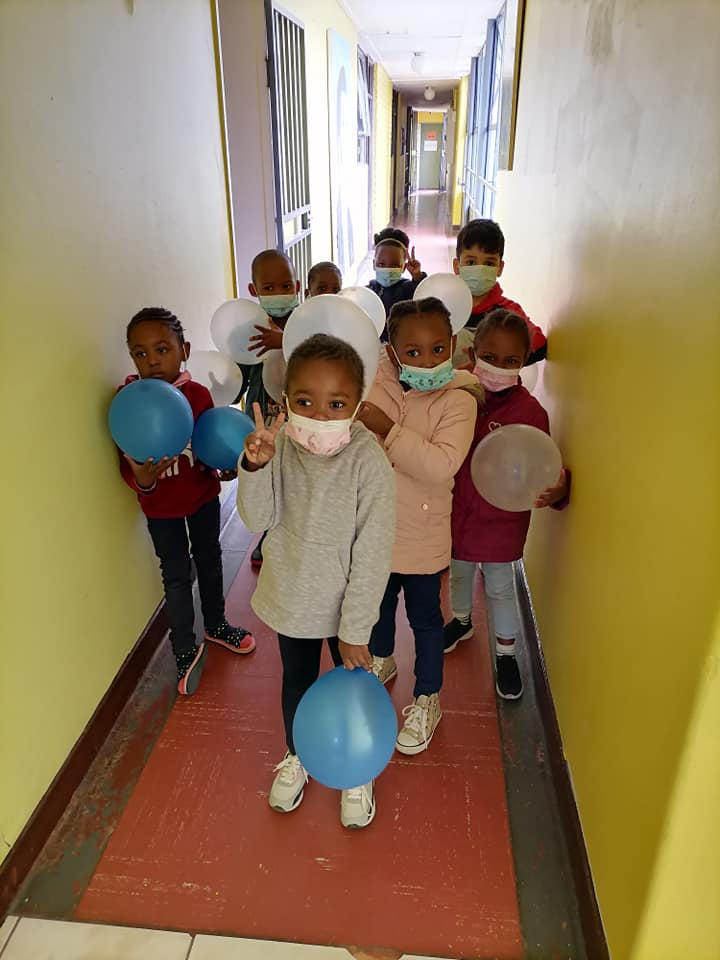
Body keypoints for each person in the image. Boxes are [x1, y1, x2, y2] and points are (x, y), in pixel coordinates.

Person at [236, 334, 395, 829]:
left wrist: (356, 628)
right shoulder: (281, 444)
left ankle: (357, 769)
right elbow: (258, 518)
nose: (320, 415)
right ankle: (298, 752)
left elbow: (373, 554)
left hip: (347, 608)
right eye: (305, 402)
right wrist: (255, 467)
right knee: (297, 684)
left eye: (336, 404)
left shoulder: (368, 462)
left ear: (358, 406)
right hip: (294, 599)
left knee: (353, 687)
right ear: (286, 400)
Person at [357, 298, 478, 755]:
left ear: (453, 345)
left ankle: (427, 697)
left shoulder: (459, 400)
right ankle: (381, 660)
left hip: (423, 539)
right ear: (392, 352)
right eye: (412, 352)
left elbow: (440, 465)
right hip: (374, 533)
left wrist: (387, 430)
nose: (427, 361)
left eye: (437, 349)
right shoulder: (374, 384)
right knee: (376, 609)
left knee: (425, 621)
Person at [118, 307, 255, 696]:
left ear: (185, 351)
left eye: (162, 349)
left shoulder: (197, 395)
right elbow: (126, 464)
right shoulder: (129, 402)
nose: (152, 360)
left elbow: (211, 442)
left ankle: (216, 624)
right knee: (176, 575)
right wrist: (144, 480)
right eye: (140, 353)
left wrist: (224, 467)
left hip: (201, 498)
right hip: (160, 508)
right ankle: (182, 648)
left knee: (210, 560)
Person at [444, 308, 569, 699]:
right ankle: (461, 620)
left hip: (501, 523)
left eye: (510, 360)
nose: (498, 367)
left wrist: (559, 489)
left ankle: (507, 654)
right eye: (490, 357)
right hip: (456, 515)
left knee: (500, 589)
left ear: (524, 361)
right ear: (473, 353)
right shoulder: (457, 395)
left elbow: (543, 463)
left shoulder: (530, 413)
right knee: (459, 574)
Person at [239, 249, 301, 568]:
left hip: (299, 418)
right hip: (262, 418)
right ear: (254, 290)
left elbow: (317, 353)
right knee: (268, 476)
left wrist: (285, 341)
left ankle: (299, 531)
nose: (279, 293)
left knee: (297, 476)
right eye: (269, 287)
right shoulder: (248, 327)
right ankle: (269, 534)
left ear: (297, 285)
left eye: (286, 285)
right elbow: (239, 374)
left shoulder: (306, 321)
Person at [452, 219, 547, 365]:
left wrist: (497, 362)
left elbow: (539, 345)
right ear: (457, 265)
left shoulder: (507, 312)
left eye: (489, 263)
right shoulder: (445, 305)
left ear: (500, 268)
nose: (480, 270)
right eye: (471, 262)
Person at [367, 232, 426, 335]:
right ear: (374, 264)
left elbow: (424, 297)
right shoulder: (369, 291)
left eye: (394, 265)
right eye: (381, 264)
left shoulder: (408, 288)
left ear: (403, 267)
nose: (387, 269)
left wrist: (417, 276)